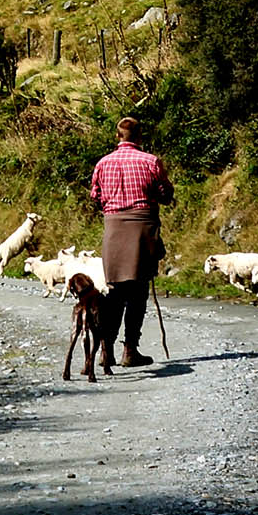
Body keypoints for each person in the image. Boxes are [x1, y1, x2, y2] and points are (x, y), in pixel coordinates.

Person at [89, 116, 172, 368]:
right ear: (139, 137)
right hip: (143, 228)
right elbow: (166, 194)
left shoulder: (103, 163)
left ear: (118, 137)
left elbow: (95, 196)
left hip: (113, 228)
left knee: (115, 292)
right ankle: (130, 350)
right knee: (138, 292)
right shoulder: (151, 161)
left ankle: (107, 351)